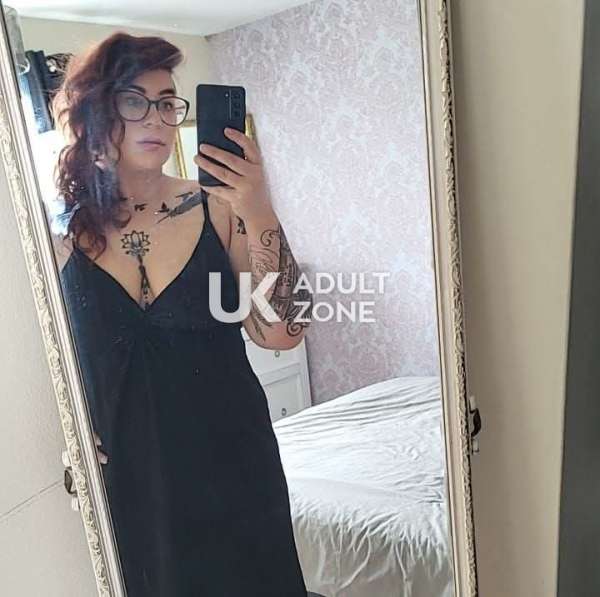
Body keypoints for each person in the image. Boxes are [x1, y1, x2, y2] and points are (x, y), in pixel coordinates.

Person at [50, 31, 312, 596]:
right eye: (134, 100)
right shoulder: (58, 239)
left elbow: (282, 331)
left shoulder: (219, 209)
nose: (157, 118)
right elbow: (49, 366)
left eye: (167, 102)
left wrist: (259, 209)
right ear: (96, 111)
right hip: (130, 479)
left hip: (233, 462)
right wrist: (66, 430)